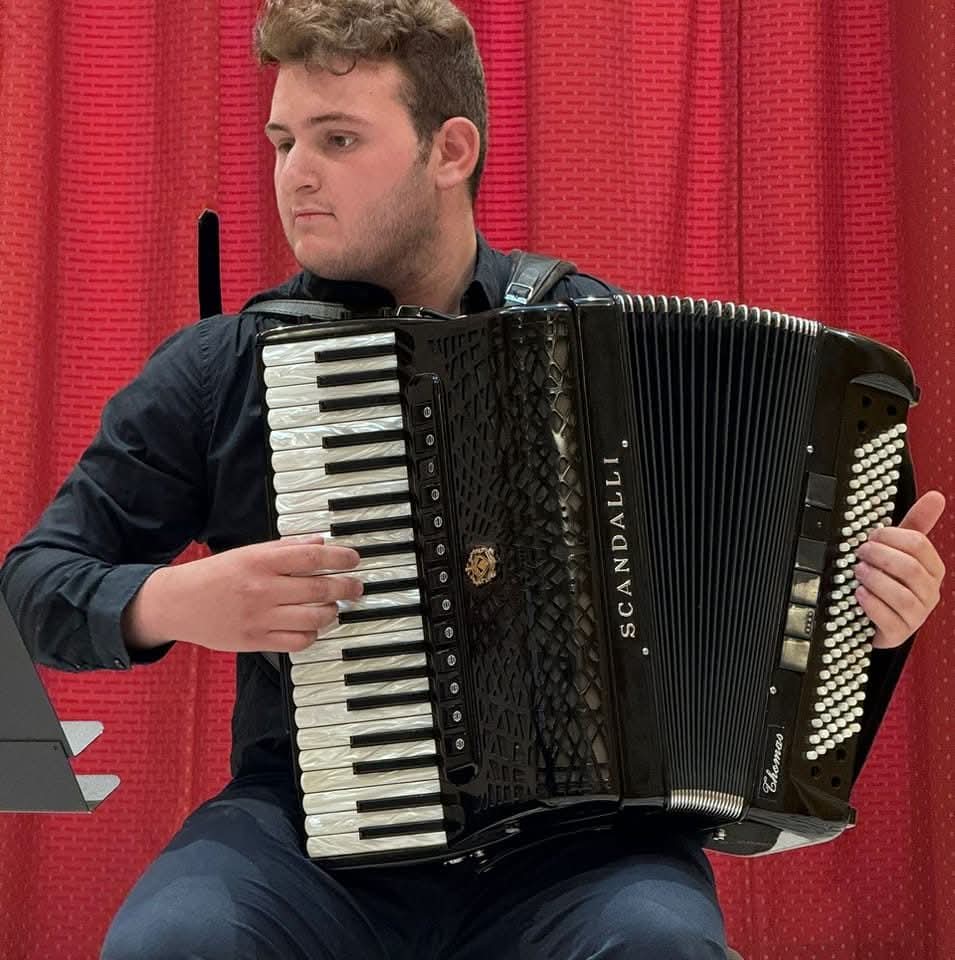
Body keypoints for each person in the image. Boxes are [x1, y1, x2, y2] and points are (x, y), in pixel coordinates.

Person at [0, 1, 946, 957]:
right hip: (307, 830)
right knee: (170, 944)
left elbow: (749, 591)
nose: (296, 175)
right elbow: (34, 584)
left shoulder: (599, 342)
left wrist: (859, 612)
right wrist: (170, 602)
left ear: (450, 150)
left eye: (337, 139)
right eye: (283, 142)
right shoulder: (223, 367)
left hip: (582, 847)